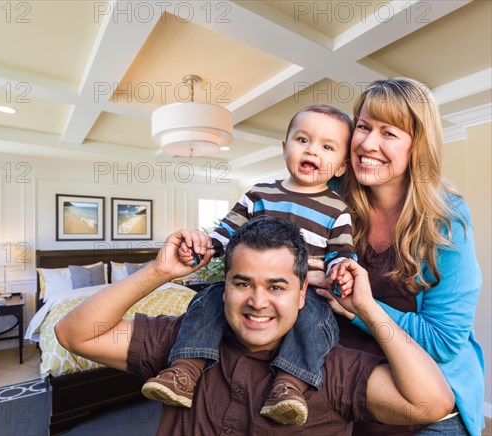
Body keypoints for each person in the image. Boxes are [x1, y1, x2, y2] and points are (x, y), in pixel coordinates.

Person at [54, 216, 455, 435]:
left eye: (276, 287)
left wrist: (367, 308)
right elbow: (74, 333)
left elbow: (432, 403)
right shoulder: (184, 344)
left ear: (302, 294)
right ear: (222, 286)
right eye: (242, 283)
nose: (257, 302)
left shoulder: (330, 369)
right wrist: (159, 272)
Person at [142, 104, 357, 426]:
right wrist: (204, 247)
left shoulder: (337, 209)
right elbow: (226, 233)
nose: (312, 150)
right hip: (251, 282)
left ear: (341, 166)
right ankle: (184, 370)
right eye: (303, 140)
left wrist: (340, 269)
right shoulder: (259, 194)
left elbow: (342, 252)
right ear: (285, 148)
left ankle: (289, 386)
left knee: (316, 318)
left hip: (304, 291)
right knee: (208, 299)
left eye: (327, 147)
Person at [319, 78, 484, 435]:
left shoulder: (446, 219)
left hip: (428, 400)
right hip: (347, 387)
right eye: (363, 127)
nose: (367, 143)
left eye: (388, 133)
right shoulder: (328, 197)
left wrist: (358, 307)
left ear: (417, 146)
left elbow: (441, 340)